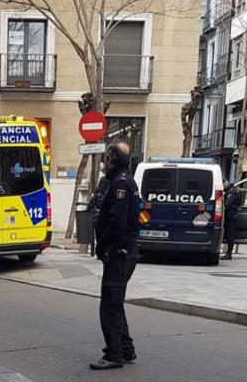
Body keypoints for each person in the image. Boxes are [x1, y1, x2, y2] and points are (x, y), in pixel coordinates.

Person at [90, 142, 141, 370]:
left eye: (106, 158)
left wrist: (103, 245)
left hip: (119, 253)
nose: (104, 163)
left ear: (112, 159)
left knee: (109, 305)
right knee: (116, 302)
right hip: (124, 252)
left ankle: (113, 354)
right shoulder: (124, 180)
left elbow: (117, 223)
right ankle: (126, 349)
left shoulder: (120, 184)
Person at [221, 179, 241, 260]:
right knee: (228, 234)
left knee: (230, 235)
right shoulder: (229, 191)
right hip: (229, 216)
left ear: (225, 184)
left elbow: (227, 204)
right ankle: (228, 253)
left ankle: (229, 254)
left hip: (231, 216)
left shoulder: (232, 192)